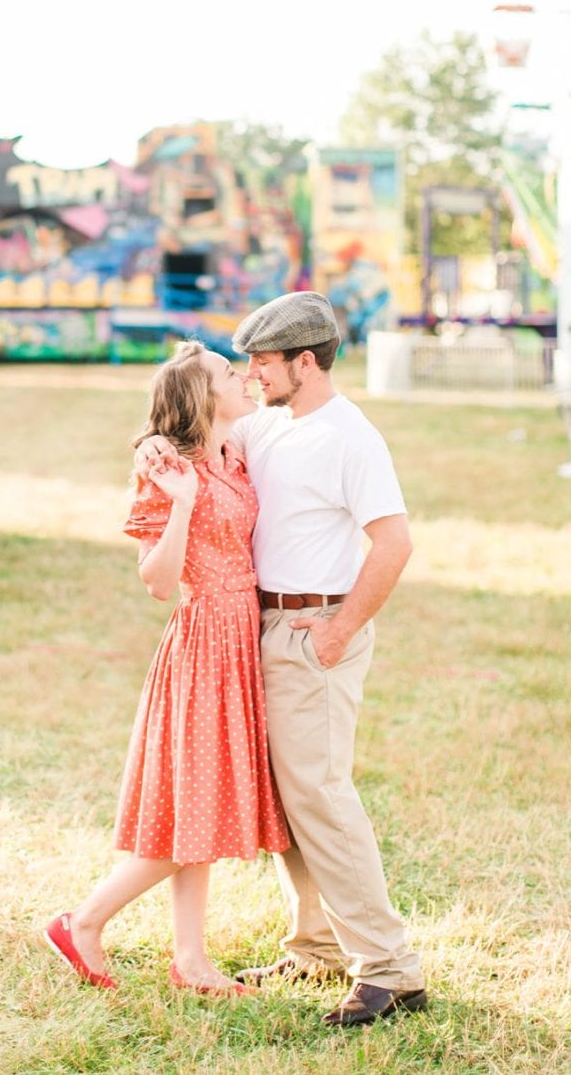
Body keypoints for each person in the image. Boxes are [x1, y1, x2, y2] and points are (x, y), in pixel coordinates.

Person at [136, 291, 426, 1029]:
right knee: (287, 799)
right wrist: (151, 446)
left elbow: (393, 545)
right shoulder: (266, 425)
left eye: (264, 363)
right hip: (255, 628)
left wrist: (336, 633)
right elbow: (196, 433)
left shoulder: (349, 437)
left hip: (316, 628)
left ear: (306, 361)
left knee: (321, 796)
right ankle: (317, 945)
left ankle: (389, 969)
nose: (252, 374)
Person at [45, 340, 288, 995]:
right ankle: (84, 921)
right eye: (227, 373)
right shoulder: (170, 472)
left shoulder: (238, 449)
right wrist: (179, 499)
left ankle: (190, 960)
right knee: (193, 811)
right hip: (204, 641)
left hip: (240, 638)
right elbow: (156, 582)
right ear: (201, 396)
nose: (241, 378)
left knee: (200, 807)